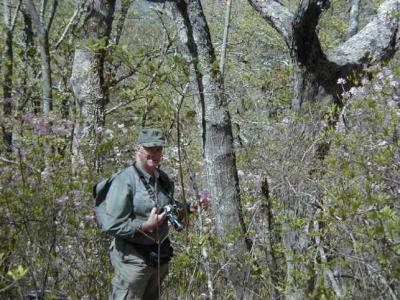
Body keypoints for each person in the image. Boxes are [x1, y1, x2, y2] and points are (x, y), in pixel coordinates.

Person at [103, 127, 200, 300]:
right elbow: (111, 224)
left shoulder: (163, 179)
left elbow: (168, 208)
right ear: (138, 149)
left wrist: (189, 208)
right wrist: (145, 226)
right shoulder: (124, 181)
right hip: (132, 261)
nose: (154, 154)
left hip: (158, 257)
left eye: (158, 149)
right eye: (149, 149)